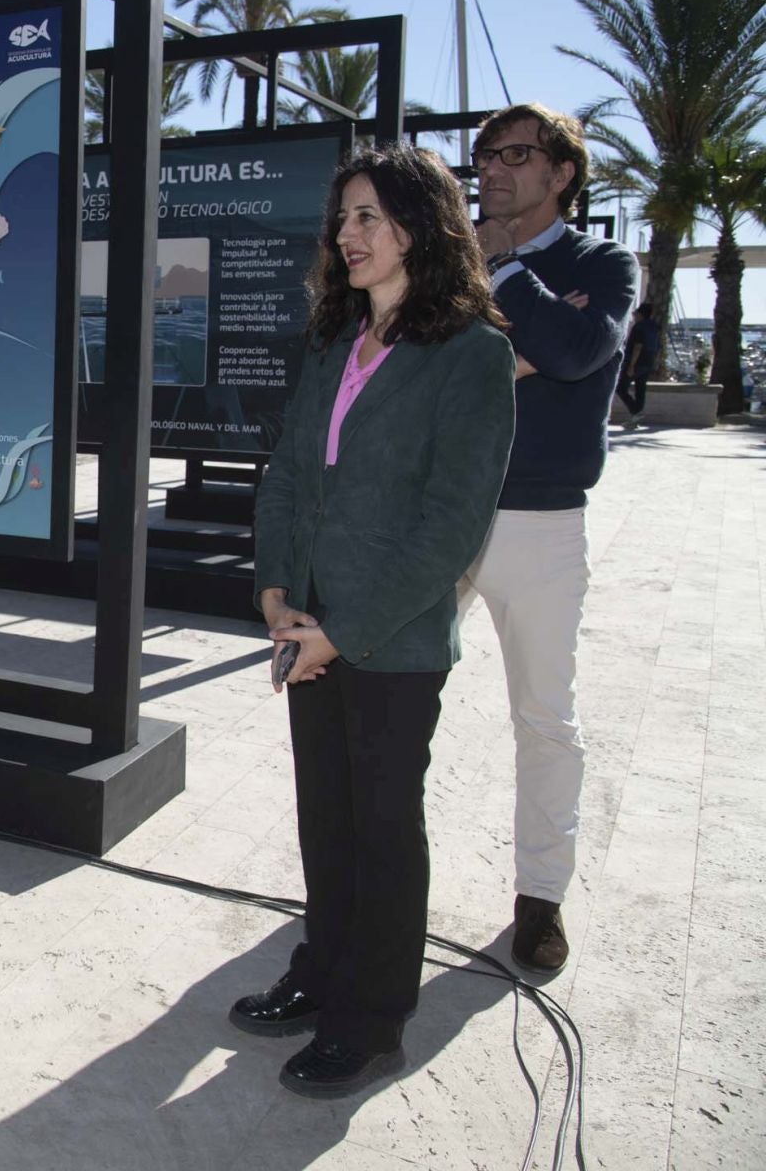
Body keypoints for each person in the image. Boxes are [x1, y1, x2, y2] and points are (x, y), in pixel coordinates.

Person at [230, 145, 516, 1098]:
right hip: (304, 624)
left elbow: (452, 525)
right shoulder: (331, 339)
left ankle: (373, 1017)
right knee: (326, 818)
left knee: (384, 827)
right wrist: (274, 593)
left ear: (421, 224)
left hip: (388, 642)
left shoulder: (472, 353)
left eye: (367, 217)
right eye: (341, 219)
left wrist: (341, 633)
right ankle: (324, 969)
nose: (346, 236)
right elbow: (285, 477)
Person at [463, 103, 640, 977]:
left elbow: (578, 351)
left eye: (516, 154)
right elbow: (423, 363)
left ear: (562, 172)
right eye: (485, 154)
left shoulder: (603, 264)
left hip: (542, 520)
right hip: (443, 512)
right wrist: (520, 336)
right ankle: (376, 881)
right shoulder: (448, 262)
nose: (492, 168)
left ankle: (540, 900)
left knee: (545, 717)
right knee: (393, 699)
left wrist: (506, 277)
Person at [617, 302, 660, 423]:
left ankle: (636, 411)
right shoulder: (654, 328)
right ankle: (636, 418)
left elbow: (637, 347)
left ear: (641, 315)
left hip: (637, 363)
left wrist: (631, 365)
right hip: (648, 362)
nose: (634, 316)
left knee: (620, 388)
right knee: (640, 389)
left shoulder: (639, 327)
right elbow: (657, 347)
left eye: (635, 314)